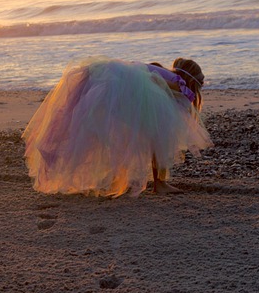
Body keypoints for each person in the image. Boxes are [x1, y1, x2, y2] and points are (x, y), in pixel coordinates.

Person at [22, 56, 213, 197]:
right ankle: (159, 183)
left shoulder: (164, 73)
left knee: (111, 132)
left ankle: (115, 177)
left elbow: (153, 79)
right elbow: (163, 88)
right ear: (192, 81)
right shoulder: (179, 85)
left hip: (113, 85)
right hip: (119, 89)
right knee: (157, 136)